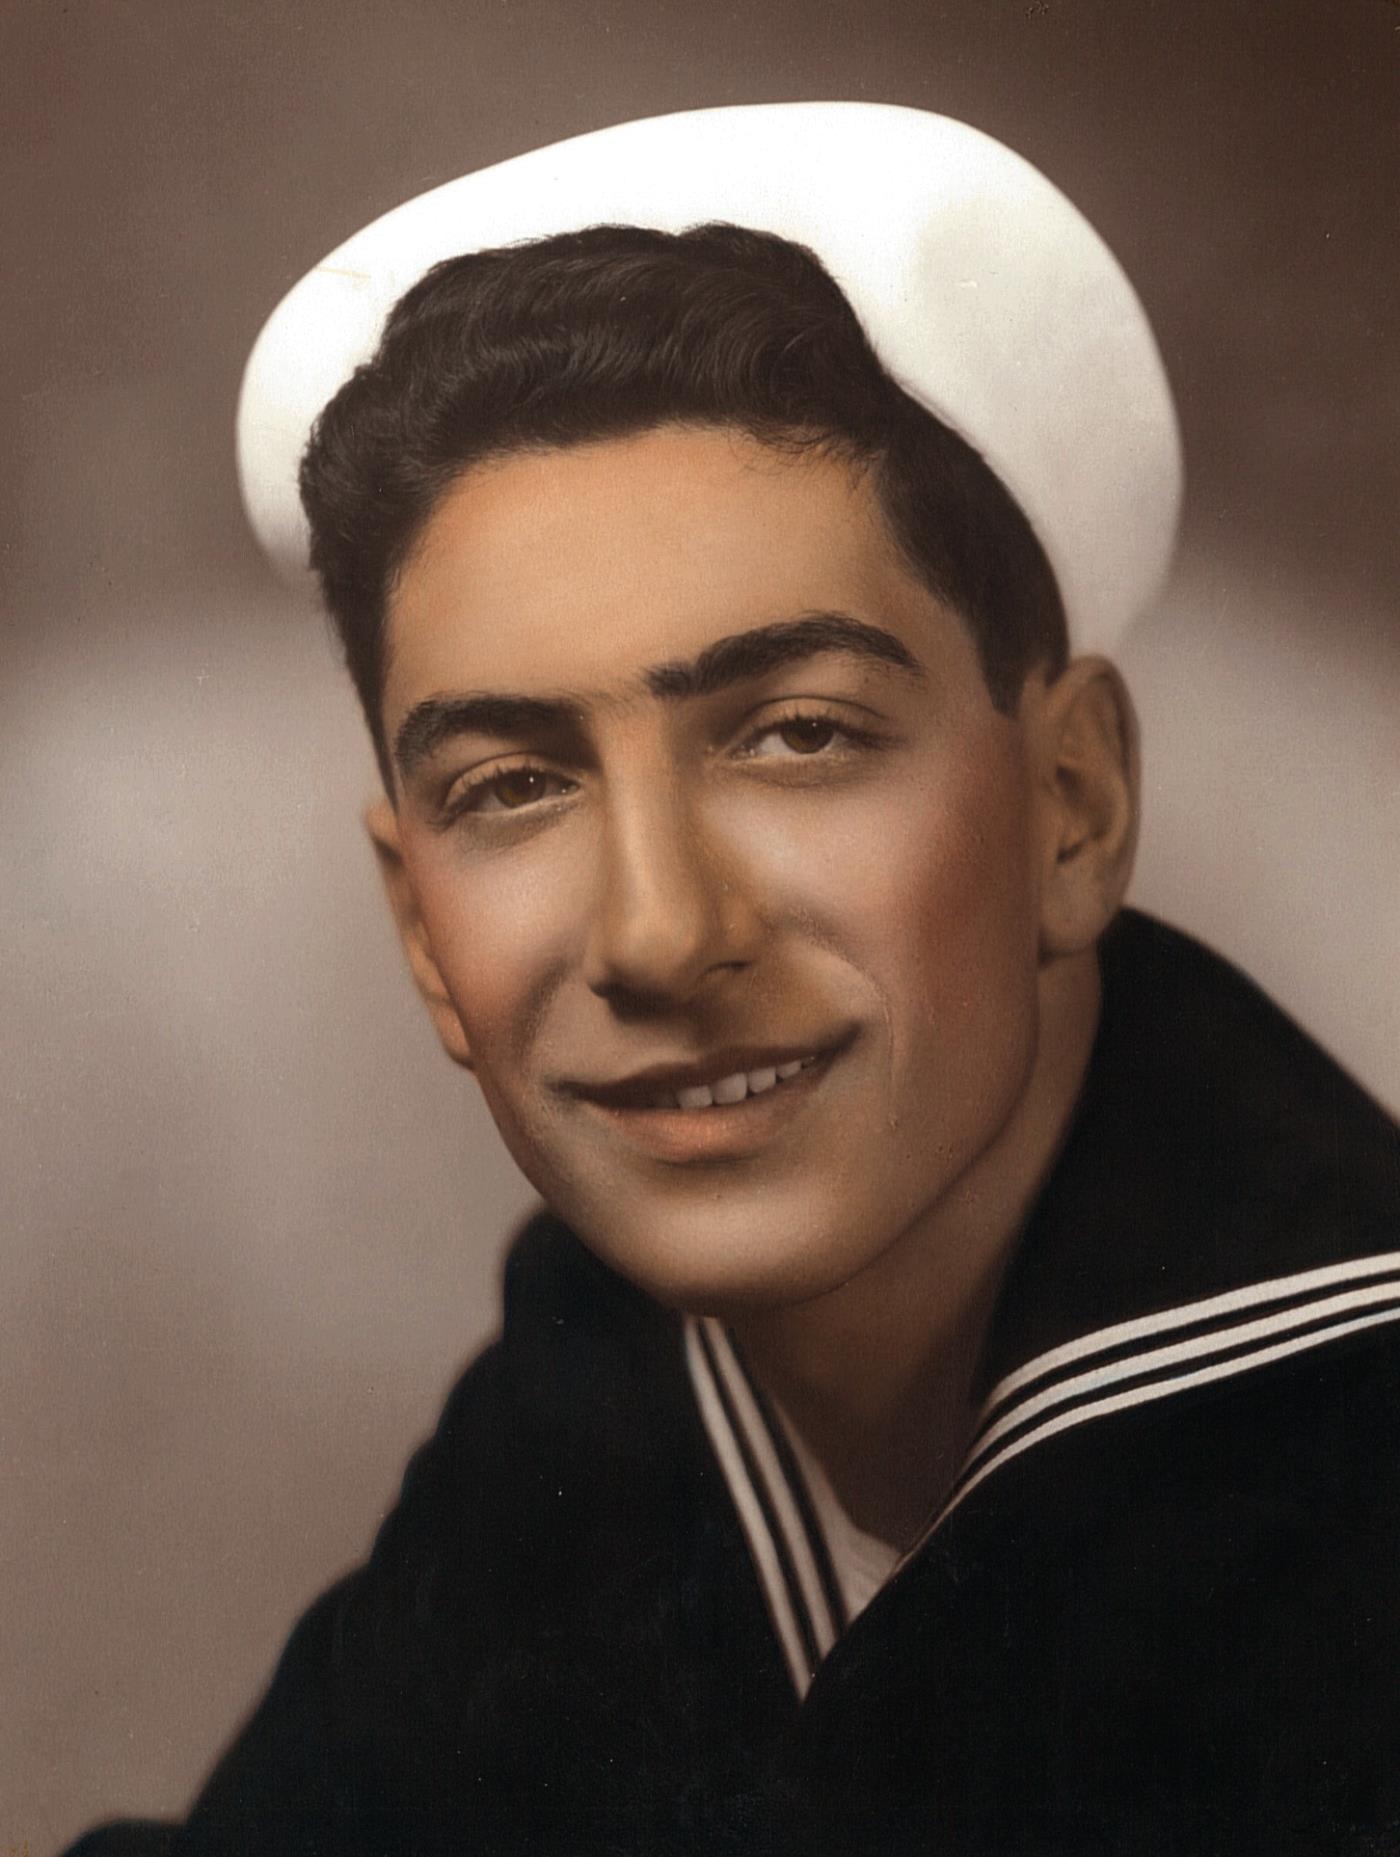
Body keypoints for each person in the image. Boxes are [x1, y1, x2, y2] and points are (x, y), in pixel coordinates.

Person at [70, 103, 1400, 1855]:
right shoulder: (609, 1395)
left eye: (797, 734)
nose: (657, 931)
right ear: (421, 931)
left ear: (1072, 804)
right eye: (513, 783)